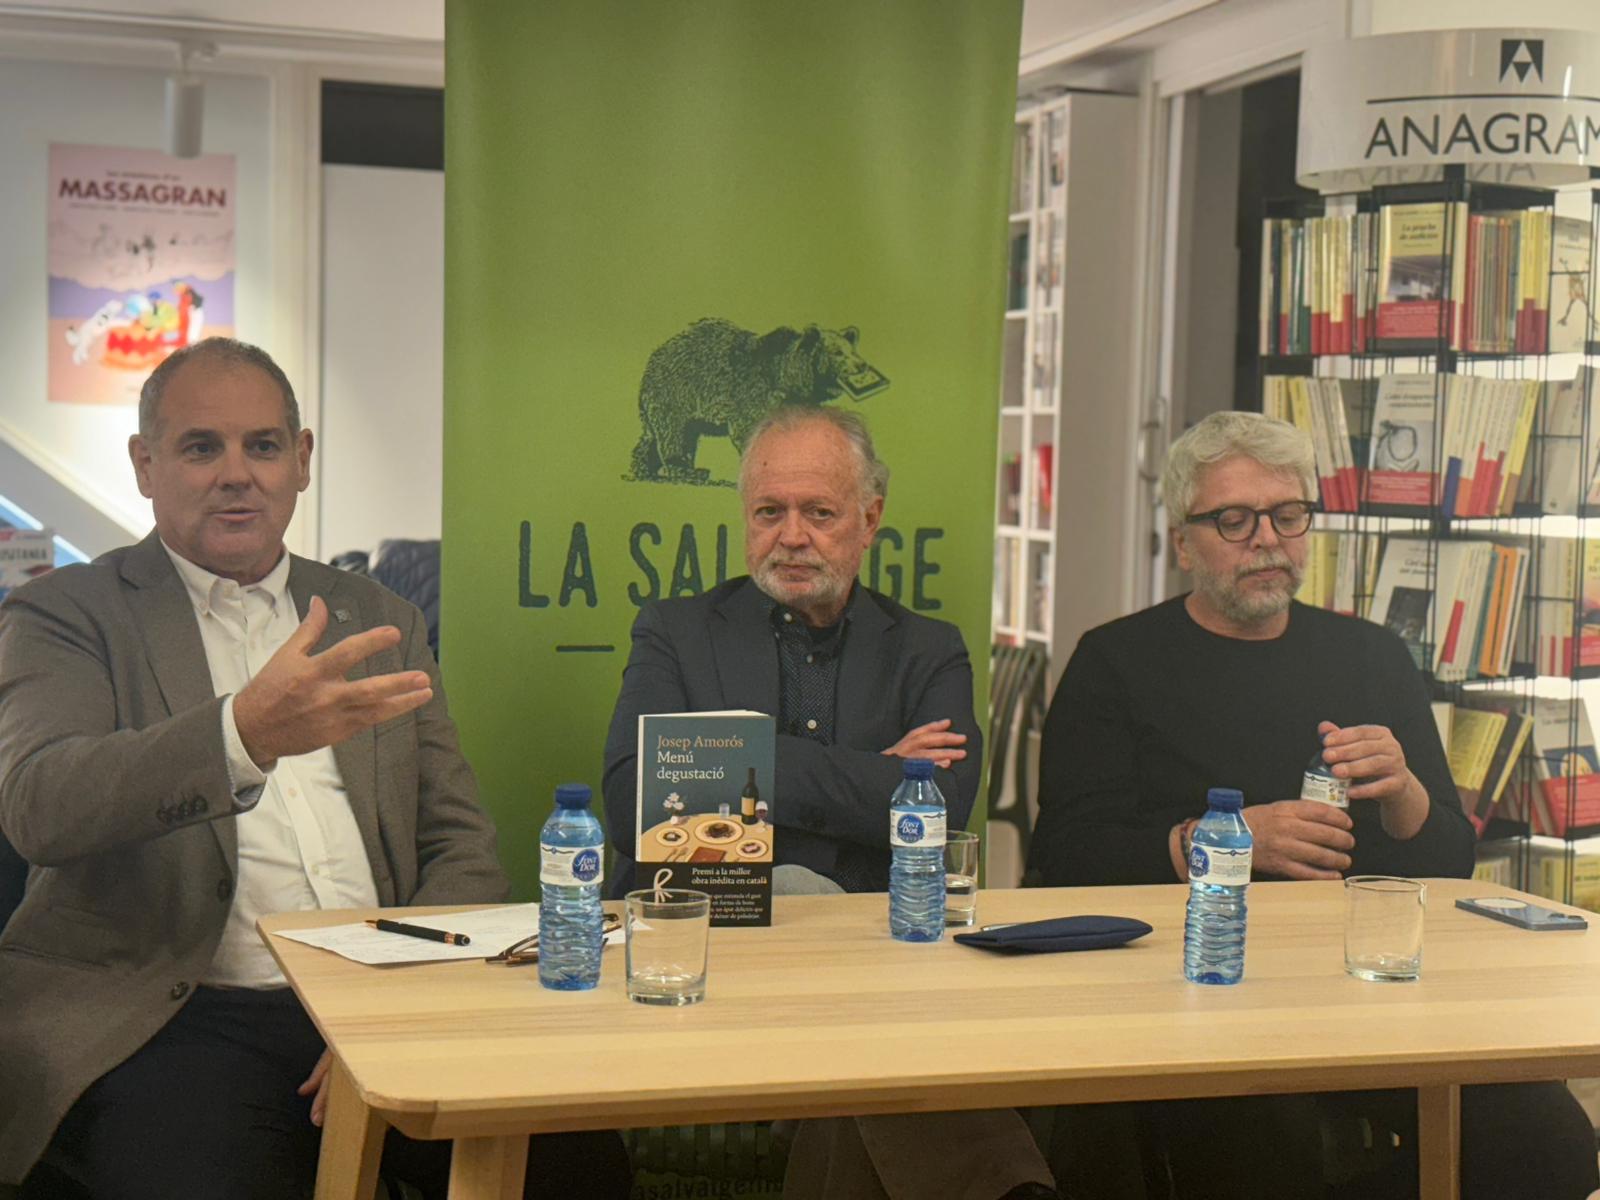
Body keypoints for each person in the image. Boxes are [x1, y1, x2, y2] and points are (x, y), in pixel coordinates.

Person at [0, 338, 631, 1200]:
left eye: (263, 446)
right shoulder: (67, 613)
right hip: (180, 1011)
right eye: (200, 447)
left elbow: (458, 841)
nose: (237, 473)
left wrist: (399, 1009)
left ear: (300, 462)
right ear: (145, 465)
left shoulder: (375, 616)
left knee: (573, 1160)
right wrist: (240, 735)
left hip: (389, 991)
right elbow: (42, 803)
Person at [1028, 410, 1599, 1200]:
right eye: (1235, 519)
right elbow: (1062, 858)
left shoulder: (1369, 656)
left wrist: (1402, 792)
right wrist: (1224, 842)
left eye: (1288, 514)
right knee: (1263, 1146)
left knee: (1551, 1142)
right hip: (1192, 994)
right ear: (1184, 541)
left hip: (1361, 989)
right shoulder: (1115, 662)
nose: (1267, 538)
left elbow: (1445, 865)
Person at [602, 406, 1057, 1200]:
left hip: (881, 958)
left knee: (863, 1056)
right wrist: (869, 776)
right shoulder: (675, 632)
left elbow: (939, 809)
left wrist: (738, 769)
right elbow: (636, 797)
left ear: (869, 519)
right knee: (885, 1025)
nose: (792, 535)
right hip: (714, 954)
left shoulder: (927, 647)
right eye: (769, 512)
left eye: (819, 513)